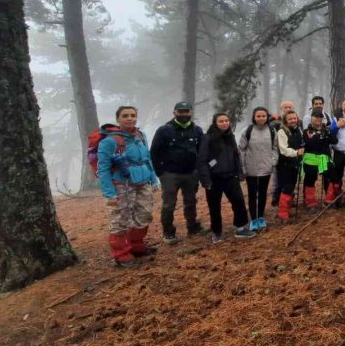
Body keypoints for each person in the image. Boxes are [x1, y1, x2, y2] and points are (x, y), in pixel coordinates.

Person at [97, 106, 159, 267]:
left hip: (143, 181)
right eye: (125, 116)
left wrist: (154, 179)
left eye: (133, 115)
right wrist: (109, 194)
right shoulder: (109, 141)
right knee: (121, 219)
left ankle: (137, 246)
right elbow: (103, 169)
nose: (130, 118)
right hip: (122, 185)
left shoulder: (141, 136)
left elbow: (147, 159)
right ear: (118, 119)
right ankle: (121, 254)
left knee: (144, 214)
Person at [149, 101, 206, 245]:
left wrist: (199, 171)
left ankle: (192, 227)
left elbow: (202, 151)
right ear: (174, 113)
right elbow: (154, 153)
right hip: (170, 174)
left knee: (191, 201)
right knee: (169, 204)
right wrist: (160, 172)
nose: (184, 114)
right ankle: (168, 232)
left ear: (191, 113)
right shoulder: (164, 130)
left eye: (187, 111)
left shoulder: (197, 130)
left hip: (191, 173)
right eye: (180, 112)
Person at [197, 113, 256, 243]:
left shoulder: (230, 137)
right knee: (214, 207)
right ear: (215, 123)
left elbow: (236, 156)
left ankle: (240, 228)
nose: (224, 123)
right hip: (214, 178)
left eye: (226, 120)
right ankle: (216, 232)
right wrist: (206, 180)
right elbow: (202, 160)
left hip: (230, 176)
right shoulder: (208, 138)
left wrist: (240, 172)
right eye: (221, 121)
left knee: (239, 201)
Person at [238, 106, 279, 231]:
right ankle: (253, 219)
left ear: (267, 117)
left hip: (266, 168)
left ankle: (261, 217)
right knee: (252, 194)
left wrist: (273, 162)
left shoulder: (272, 131)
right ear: (254, 117)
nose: (261, 118)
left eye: (263, 116)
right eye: (258, 116)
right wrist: (243, 167)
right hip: (251, 168)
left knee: (262, 194)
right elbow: (241, 149)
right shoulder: (248, 130)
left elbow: (275, 148)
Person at [302, 109, 338, 211]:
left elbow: (335, 141)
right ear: (311, 118)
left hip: (324, 157)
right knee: (310, 179)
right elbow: (310, 143)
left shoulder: (326, 130)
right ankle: (311, 203)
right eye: (315, 117)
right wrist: (320, 136)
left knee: (332, 177)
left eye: (320, 117)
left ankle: (329, 200)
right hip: (311, 158)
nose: (318, 119)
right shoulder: (307, 131)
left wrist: (328, 133)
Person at [273, 111, 303, 223]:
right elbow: (283, 149)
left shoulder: (297, 129)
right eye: (290, 119)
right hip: (284, 164)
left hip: (295, 163)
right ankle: (282, 213)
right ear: (285, 120)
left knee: (292, 185)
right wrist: (296, 152)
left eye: (294, 118)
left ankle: (286, 210)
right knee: (287, 187)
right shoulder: (282, 131)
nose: (293, 120)